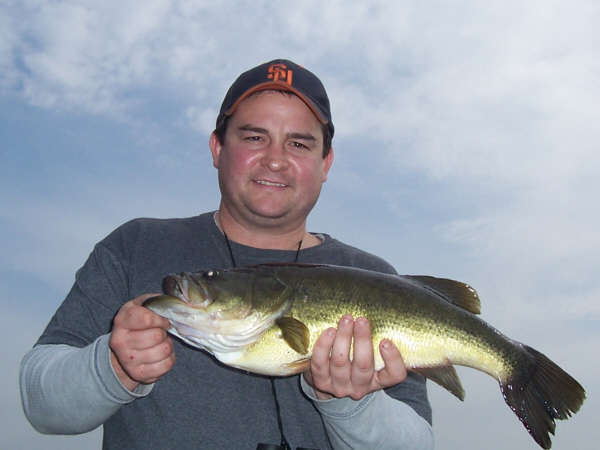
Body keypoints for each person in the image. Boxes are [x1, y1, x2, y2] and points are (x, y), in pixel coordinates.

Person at [20, 59, 433, 449]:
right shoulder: (136, 246)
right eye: (254, 137)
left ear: (326, 163)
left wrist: (349, 402)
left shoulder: (376, 279)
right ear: (218, 148)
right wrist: (111, 367)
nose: (275, 160)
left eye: (299, 144)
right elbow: (41, 406)